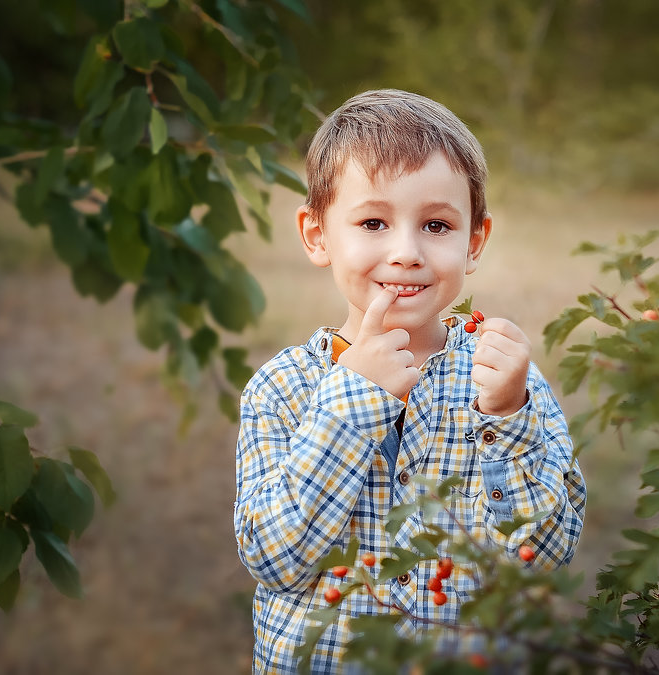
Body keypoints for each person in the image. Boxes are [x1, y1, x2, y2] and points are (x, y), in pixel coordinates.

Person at [233, 89, 586, 673]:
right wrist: (352, 404)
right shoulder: (282, 388)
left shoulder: (503, 383)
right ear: (317, 234)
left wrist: (506, 419)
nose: (406, 252)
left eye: (436, 225)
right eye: (373, 222)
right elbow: (273, 559)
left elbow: (543, 557)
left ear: (474, 240)